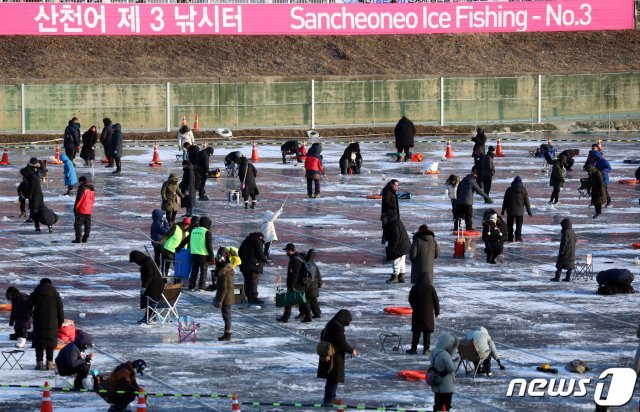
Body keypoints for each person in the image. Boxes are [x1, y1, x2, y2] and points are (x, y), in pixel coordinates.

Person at [317, 309, 357, 407]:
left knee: (331, 378)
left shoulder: (331, 323)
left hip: (329, 355)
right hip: (334, 357)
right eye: (347, 322)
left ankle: (329, 398)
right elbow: (341, 343)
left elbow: (322, 335)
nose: (347, 325)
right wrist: (352, 350)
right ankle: (329, 400)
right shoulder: (337, 327)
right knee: (333, 378)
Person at [28, 278, 64, 370]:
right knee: (50, 342)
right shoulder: (55, 293)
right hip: (51, 320)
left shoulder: (36, 292)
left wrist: (31, 314)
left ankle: (39, 363)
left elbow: (28, 306)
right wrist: (61, 321)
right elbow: (60, 308)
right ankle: (49, 363)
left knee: (39, 341)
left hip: (39, 320)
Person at [177, 216, 214, 291]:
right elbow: (208, 245)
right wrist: (211, 256)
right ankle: (201, 287)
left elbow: (186, 240)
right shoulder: (207, 232)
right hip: (203, 255)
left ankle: (191, 285)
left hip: (194, 254)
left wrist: (179, 247)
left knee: (194, 271)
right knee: (203, 272)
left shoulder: (194, 231)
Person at [277, 243, 312, 323]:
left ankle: (286, 317)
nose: (286, 253)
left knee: (290, 300)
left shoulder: (295, 260)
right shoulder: (299, 257)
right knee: (302, 300)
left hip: (297, 283)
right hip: (300, 282)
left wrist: (292, 286)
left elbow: (295, 274)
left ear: (291, 250)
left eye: (287, 251)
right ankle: (308, 316)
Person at [129, 250, 164, 323]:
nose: (136, 263)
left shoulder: (147, 263)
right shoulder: (146, 261)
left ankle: (150, 317)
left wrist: (144, 287)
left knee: (150, 300)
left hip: (154, 286)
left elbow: (149, 276)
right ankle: (149, 317)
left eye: (135, 261)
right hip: (155, 285)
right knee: (149, 300)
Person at [407, 282, 439, 355]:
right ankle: (426, 349)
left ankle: (413, 349)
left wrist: (414, 307)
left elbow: (410, 298)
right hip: (428, 315)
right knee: (427, 332)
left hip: (417, 314)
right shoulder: (431, 288)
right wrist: (437, 312)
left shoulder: (415, 287)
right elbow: (436, 301)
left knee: (416, 331)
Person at [429, 333, 458, 412]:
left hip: (436, 381)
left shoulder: (434, 351)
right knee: (446, 404)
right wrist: (456, 362)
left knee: (437, 403)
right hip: (446, 384)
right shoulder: (445, 354)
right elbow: (451, 368)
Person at [238, 232, 268, 305]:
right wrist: (266, 259)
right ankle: (254, 297)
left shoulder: (246, 241)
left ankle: (249, 297)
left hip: (244, 265)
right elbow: (260, 253)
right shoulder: (258, 241)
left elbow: (239, 252)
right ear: (260, 237)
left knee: (247, 281)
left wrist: (245, 259)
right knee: (254, 281)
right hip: (254, 266)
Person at [501, 176, 532, 242]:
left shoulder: (509, 189)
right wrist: (529, 211)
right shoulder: (523, 190)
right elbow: (526, 201)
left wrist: (503, 210)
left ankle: (510, 238)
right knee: (519, 226)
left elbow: (505, 201)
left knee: (510, 225)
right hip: (520, 212)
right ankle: (518, 237)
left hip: (510, 211)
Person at [383, 209, 411, 284]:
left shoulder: (393, 225)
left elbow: (396, 237)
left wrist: (393, 248)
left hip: (400, 245)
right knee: (401, 261)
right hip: (404, 245)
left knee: (396, 260)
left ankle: (395, 276)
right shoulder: (396, 222)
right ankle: (401, 276)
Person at [213, 256, 236, 341]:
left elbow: (224, 289)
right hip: (229, 297)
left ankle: (228, 334)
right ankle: (227, 333)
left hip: (226, 298)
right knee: (227, 316)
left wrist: (220, 300)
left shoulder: (223, 274)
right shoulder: (229, 271)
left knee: (226, 316)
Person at [21, 159, 45, 232]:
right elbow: (25, 170)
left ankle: (32, 218)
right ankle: (31, 217)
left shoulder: (37, 172)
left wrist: (39, 163)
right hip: (33, 189)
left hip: (35, 190)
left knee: (34, 206)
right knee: (34, 205)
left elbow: (42, 168)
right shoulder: (30, 171)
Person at [551, 218, 575, 282]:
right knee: (570, 264)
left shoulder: (566, 232)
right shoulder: (572, 231)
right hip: (571, 251)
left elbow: (564, 242)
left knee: (560, 264)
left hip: (565, 251)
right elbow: (575, 240)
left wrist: (561, 251)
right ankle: (568, 277)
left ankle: (557, 277)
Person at [73, 176, 95, 243]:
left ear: (81, 181)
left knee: (77, 224)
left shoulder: (82, 188)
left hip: (82, 209)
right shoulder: (91, 188)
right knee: (87, 224)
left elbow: (79, 199)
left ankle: (78, 238)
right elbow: (92, 199)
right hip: (89, 209)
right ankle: (85, 238)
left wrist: (75, 208)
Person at [303, 249, 322, 319]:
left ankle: (311, 314)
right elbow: (319, 276)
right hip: (314, 287)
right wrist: (319, 284)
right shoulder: (314, 265)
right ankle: (317, 313)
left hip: (309, 286)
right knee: (313, 301)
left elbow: (306, 276)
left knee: (308, 301)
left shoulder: (307, 264)